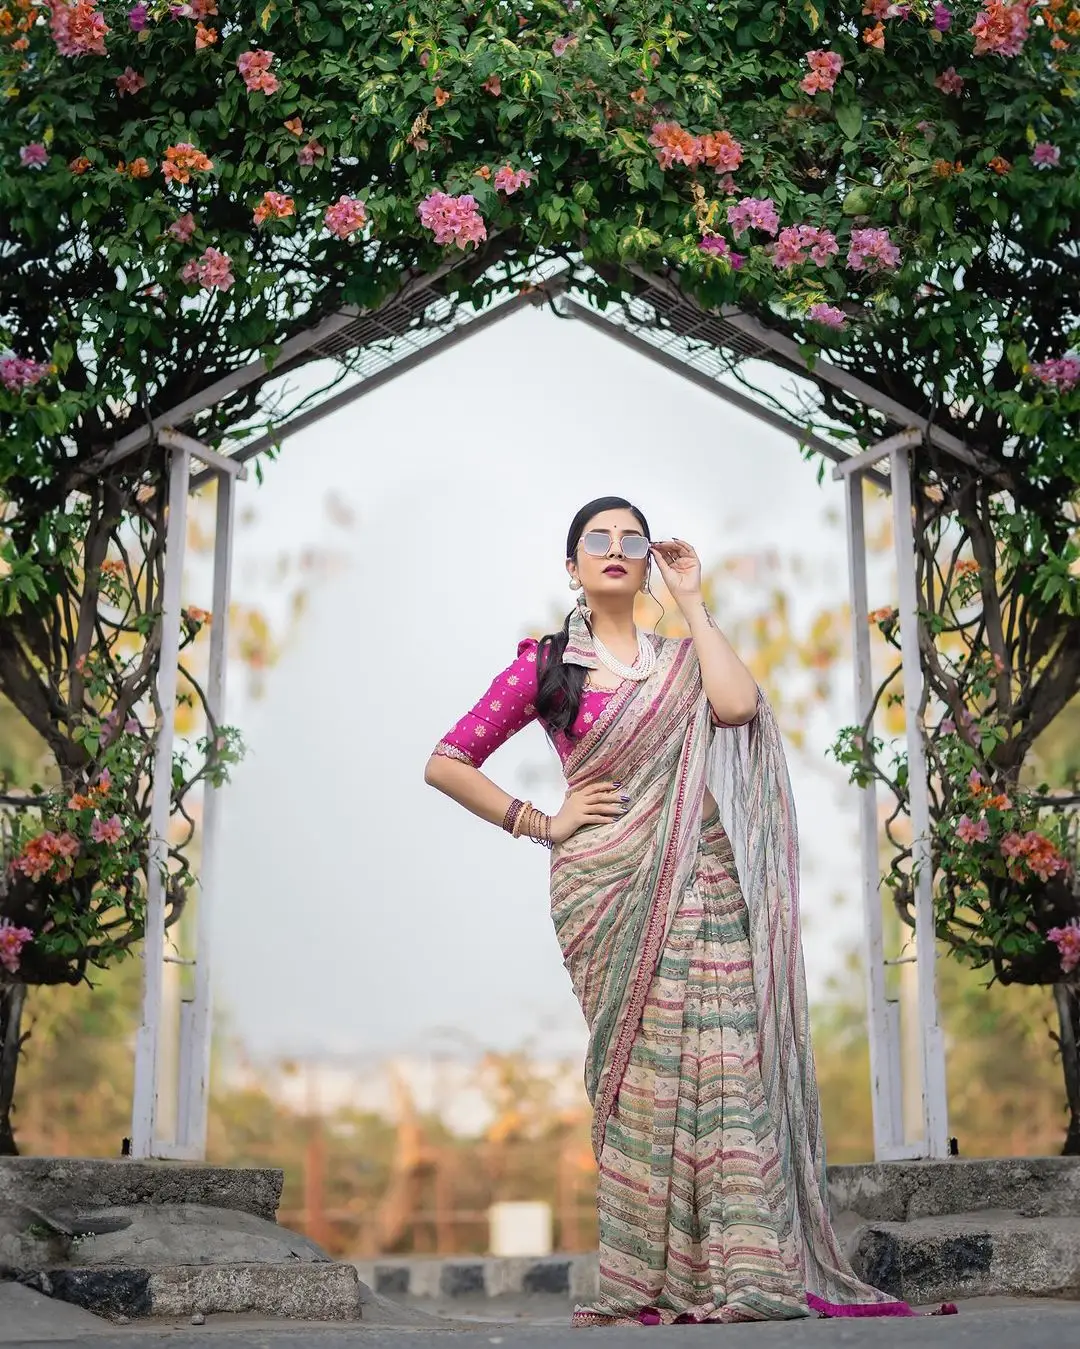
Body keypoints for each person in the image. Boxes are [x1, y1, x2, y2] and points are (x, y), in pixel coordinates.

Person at [423, 496, 918, 1325]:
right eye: (597, 540)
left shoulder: (686, 658)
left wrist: (692, 597)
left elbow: (736, 707)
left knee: (726, 1061)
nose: (616, 550)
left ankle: (743, 1269)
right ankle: (649, 1278)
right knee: (645, 1078)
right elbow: (448, 759)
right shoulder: (546, 668)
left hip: (702, 871)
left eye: (633, 540)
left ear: (649, 558)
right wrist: (540, 821)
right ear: (572, 565)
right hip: (605, 888)